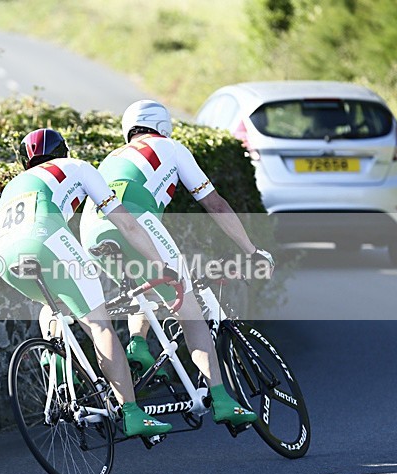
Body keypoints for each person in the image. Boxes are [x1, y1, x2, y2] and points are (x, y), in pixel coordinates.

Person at [79, 99, 274, 428]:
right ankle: (223, 400)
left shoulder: (112, 157)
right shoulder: (169, 146)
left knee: (145, 286)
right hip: (135, 220)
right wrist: (251, 250)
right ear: (163, 125)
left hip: (91, 230)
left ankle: (138, 345)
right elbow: (214, 203)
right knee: (191, 314)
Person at [0, 128, 174, 438]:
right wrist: (160, 264)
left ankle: (55, 358)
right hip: (45, 239)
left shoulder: (12, 185)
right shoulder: (76, 167)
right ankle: (131, 412)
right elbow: (125, 222)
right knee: (99, 323)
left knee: (53, 303)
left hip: (1, 253)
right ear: (64, 151)